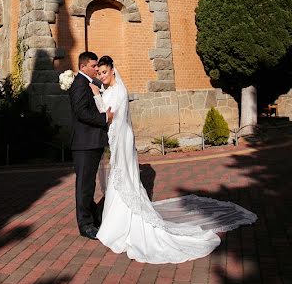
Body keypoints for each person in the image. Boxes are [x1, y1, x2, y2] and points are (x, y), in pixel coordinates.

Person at [94, 56, 256, 264]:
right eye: (99, 73)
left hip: (122, 139)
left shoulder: (120, 91)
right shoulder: (109, 90)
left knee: (122, 176)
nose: (101, 76)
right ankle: (114, 221)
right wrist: (100, 95)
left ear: (113, 70)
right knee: (118, 177)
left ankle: (123, 222)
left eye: (104, 72)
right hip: (117, 140)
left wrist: (97, 96)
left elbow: (110, 116)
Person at [68, 51, 113, 239]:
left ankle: (93, 217)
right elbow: (81, 113)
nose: (97, 69)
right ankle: (85, 225)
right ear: (83, 66)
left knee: (88, 185)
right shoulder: (79, 84)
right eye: (94, 66)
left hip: (92, 143)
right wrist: (104, 118)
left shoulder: (90, 83)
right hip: (84, 144)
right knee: (84, 186)